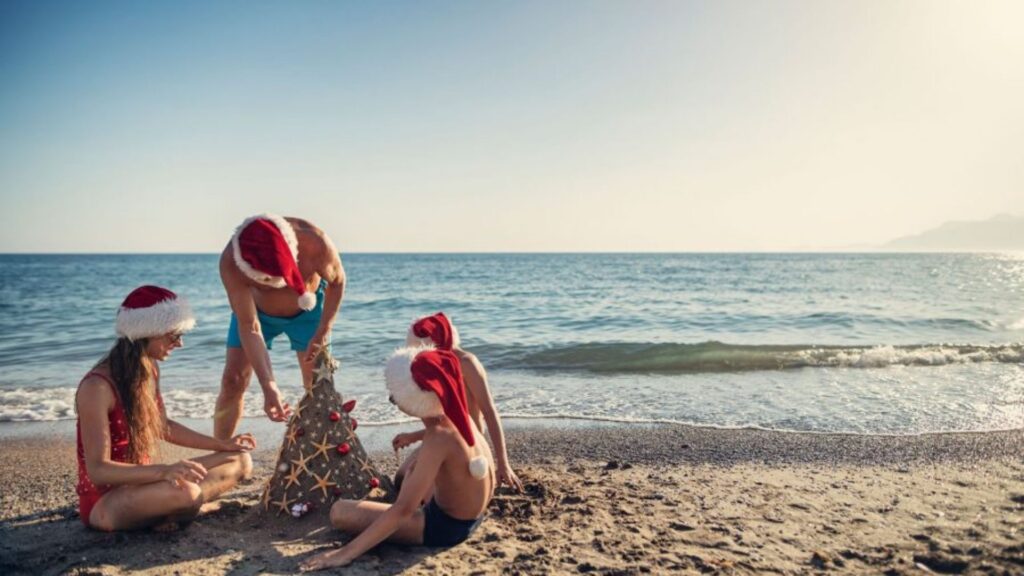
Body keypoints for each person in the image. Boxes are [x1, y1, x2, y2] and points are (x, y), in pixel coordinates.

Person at [76, 285, 255, 531]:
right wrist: (164, 472)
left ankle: (177, 508)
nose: (179, 344)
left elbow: (163, 426)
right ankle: (185, 506)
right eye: (173, 336)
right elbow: (99, 471)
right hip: (105, 502)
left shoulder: (149, 370)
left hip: (148, 485)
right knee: (187, 494)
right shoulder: (96, 387)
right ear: (146, 333)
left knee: (240, 459)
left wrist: (222, 445)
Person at [300, 346, 494, 571]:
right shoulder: (457, 416)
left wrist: (344, 553)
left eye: (395, 397)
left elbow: (403, 511)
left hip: (447, 527)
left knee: (340, 511)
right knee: (406, 472)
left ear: (413, 398)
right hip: (474, 512)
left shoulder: (438, 437)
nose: (394, 400)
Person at [214, 213, 345, 439]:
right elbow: (249, 326)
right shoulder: (230, 260)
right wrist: (268, 385)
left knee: (318, 386)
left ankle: (322, 457)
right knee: (232, 380)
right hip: (256, 315)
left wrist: (324, 329)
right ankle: (220, 450)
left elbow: (337, 282)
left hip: (310, 311)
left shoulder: (315, 242)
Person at [393, 313, 522, 491]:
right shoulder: (435, 366)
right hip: (447, 438)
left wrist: (503, 463)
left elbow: (489, 412)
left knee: (413, 484)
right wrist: (412, 436)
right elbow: (446, 422)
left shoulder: (467, 363)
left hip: (469, 444)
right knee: (400, 478)